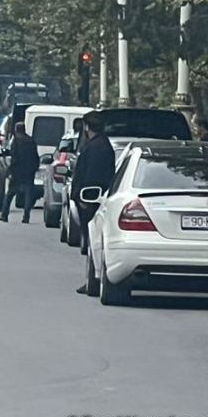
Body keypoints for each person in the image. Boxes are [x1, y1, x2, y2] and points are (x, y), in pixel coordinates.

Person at [72, 111, 117, 293]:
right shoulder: (100, 145)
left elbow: (92, 175)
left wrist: (84, 197)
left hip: (91, 200)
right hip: (92, 198)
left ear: (87, 127)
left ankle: (93, 280)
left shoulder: (97, 147)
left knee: (93, 241)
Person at [0, 122, 39, 223]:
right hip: (29, 171)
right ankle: (26, 217)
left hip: (18, 171)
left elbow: (14, 157)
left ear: (16, 129)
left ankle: (4, 214)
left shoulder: (16, 141)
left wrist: (9, 170)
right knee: (28, 194)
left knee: (10, 193)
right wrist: (34, 168)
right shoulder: (31, 140)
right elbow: (36, 156)